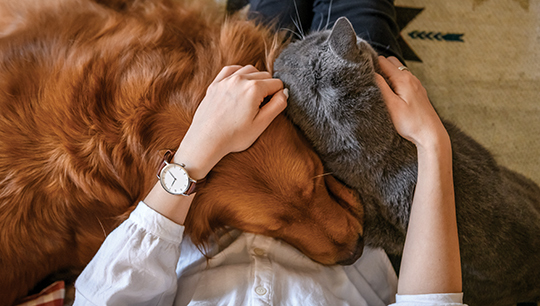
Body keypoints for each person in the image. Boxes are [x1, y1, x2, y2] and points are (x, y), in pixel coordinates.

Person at [73, 0, 465, 305]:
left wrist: (194, 153)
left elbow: (104, 296)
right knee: (361, 12)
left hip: (217, 152)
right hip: (353, 163)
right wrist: (432, 143)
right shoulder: (343, 237)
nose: (341, 242)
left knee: (270, 11)